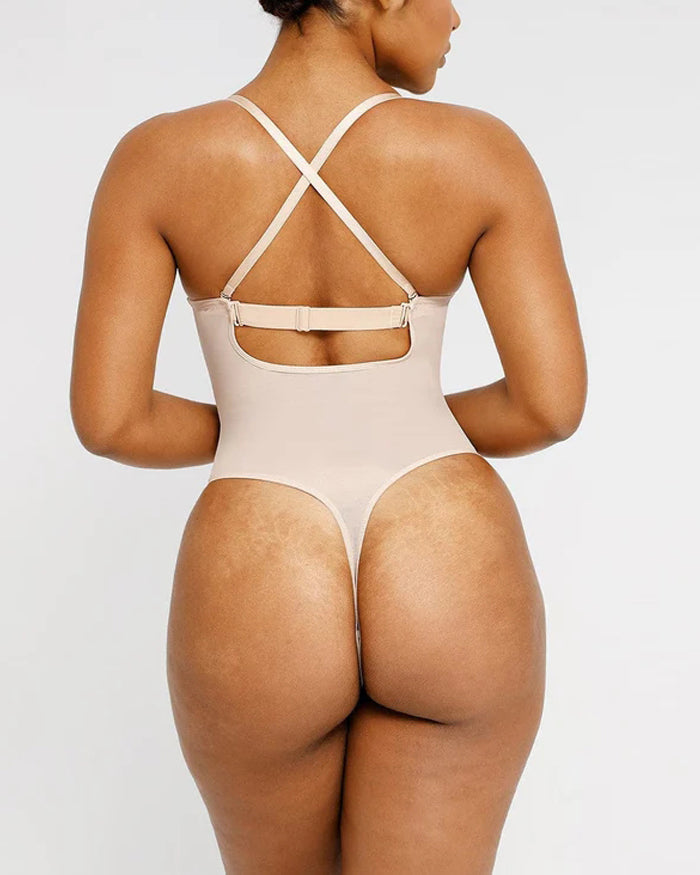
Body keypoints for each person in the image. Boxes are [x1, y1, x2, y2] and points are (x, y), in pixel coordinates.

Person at [70, 0, 587, 871]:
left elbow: (111, 419)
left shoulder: (157, 159)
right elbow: (549, 407)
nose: (456, 16)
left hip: (257, 561)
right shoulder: (480, 153)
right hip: (446, 549)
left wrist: (275, 420)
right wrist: (390, 414)